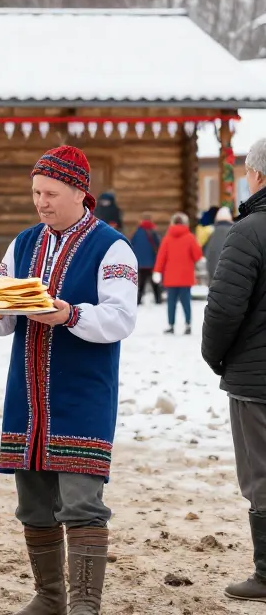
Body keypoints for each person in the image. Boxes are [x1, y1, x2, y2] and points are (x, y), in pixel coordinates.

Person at [0, 145, 137, 615]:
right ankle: (49, 597)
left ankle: (84, 604)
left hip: (82, 395)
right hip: (26, 396)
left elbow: (121, 317)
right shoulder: (23, 244)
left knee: (83, 505)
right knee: (32, 504)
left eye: (49, 192)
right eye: (35, 192)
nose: (40, 202)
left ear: (78, 192)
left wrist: (69, 314)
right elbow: (2, 318)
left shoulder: (112, 246)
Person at [202, 138, 266, 602]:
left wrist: (216, 357)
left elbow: (223, 310)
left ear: (257, 175)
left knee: (262, 476)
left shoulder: (248, 231)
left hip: (257, 380)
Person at [153, 213, 202, 335]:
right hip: (186, 277)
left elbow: (161, 257)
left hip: (171, 277)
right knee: (186, 302)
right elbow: (197, 256)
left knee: (171, 303)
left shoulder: (167, 238)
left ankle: (171, 325)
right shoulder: (190, 237)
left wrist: (157, 271)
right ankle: (188, 324)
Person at [130, 213, 163, 305]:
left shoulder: (137, 232)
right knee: (155, 283)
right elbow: (158, 246)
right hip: (152, 262)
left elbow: (132, 245)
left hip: (140, 263)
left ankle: (138, 300)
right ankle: (158, 299)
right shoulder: (153, 232)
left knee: (141, 284)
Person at [204, 206, 235, 283]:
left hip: (214, 277)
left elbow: (206, 253)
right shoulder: (235, 232)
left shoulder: (211, 233)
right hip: (230, 277)